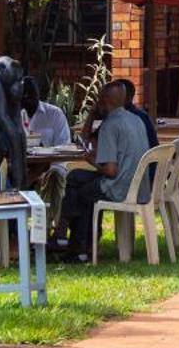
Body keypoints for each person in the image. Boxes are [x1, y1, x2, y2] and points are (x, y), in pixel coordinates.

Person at [52, 81, 150, 260]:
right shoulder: (136, 120)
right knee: (75, 177)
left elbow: (111, 171)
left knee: (80, 194)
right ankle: (76, 243)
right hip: (139, 185)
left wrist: (90, 160)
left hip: (120, 187)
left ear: (104, 102)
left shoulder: (110, 125)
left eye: (98, 100)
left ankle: (73, 245)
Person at [19, 77, 72, 148]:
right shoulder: (12, 116)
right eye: (24, 94)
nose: (28, 98)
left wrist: (44, 151)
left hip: (50, 159)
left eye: (31, 94)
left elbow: (64, 146)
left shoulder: (55, 114)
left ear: (38, 94)